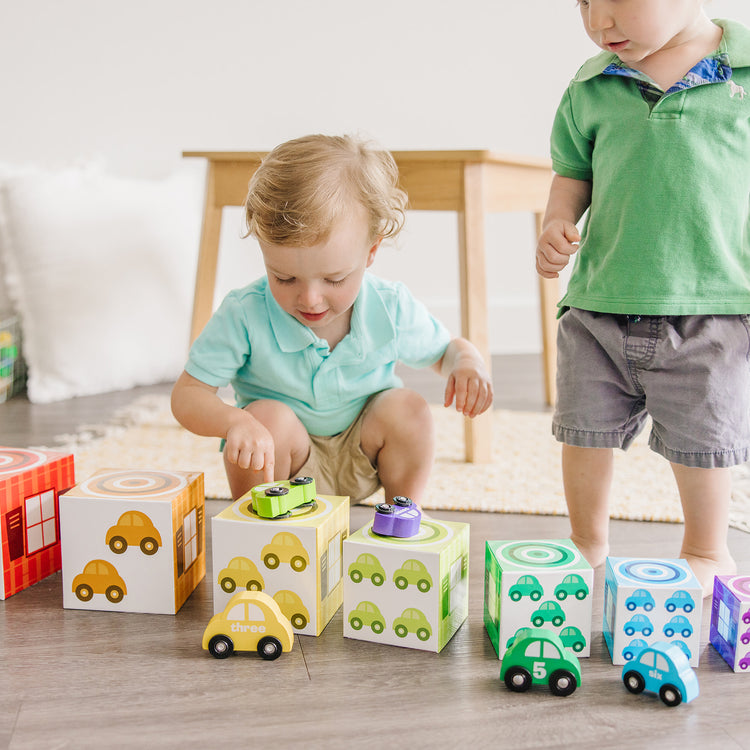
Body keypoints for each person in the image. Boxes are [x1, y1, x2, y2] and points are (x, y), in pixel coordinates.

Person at [536, 0, 750, 595]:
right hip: (600, 299)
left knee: (703, 441)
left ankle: (707, 548)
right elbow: (572, 171)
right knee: (583, 430)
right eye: (584, 3)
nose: (599, 23)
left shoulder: (745, 71)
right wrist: (558, 222)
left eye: (618, 2)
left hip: (713, 304)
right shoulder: (591, 84)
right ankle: (586, 540)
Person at [172, 134, 493, 506]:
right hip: (283, 468)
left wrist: (466, 362)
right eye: (284, 278)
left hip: (365, 458)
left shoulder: (389, 305)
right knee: (266, 418)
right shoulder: (244, 312)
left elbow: (445, 351)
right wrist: (234, 423)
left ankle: (404, 517)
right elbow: (187, 395)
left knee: (409, 409)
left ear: (371, 252)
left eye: (335, 279)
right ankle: (260, 529)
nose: (309, 299)